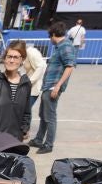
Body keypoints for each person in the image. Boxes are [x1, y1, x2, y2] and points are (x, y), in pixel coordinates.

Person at [28, 22, 76, 155]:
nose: (50, 40)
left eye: (50, 37)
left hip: (53, 86)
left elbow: (70, 66)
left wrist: (58, 86)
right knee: (43, 114)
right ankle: (38, 139)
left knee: (49, 116)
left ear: (54, 35)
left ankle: (48, 144)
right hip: (48, 85)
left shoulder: (65, 46)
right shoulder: (60, 47)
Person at [23, 41, 47, 113]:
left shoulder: (31, 52)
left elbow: (41, 66)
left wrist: (30, 81)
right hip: (28, 86)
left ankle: (25, 124)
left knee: (25, 110)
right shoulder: (26, 54)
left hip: (34, 87)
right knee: (24, 109)